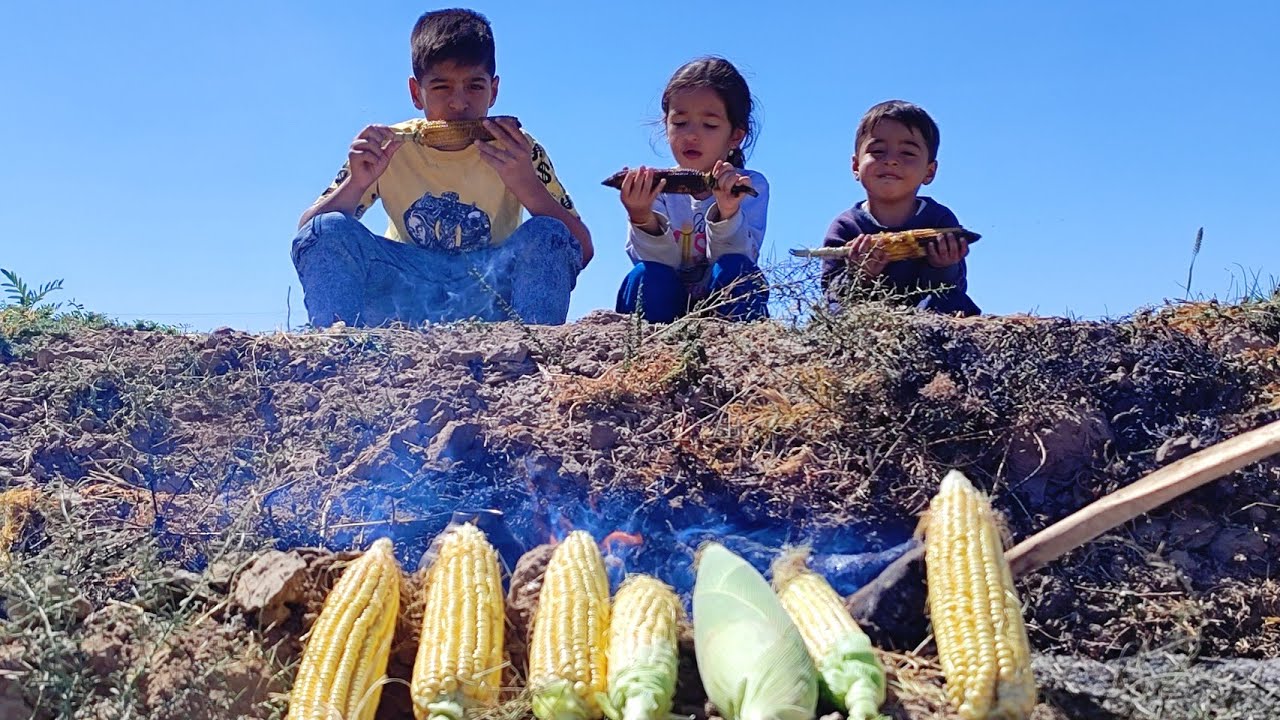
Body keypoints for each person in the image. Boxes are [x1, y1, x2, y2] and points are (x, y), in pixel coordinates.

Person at [291, 9, 592, 328]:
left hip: (490, 291)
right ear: (414, 92)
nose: (459, 103)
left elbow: (578, 248)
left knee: (548, 232)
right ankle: (337, 350)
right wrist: (355, 183)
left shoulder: (519, 149)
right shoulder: (387, 147)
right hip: (403, 291)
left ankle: (532, 352)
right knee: (329, 228)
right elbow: (311, 234)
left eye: (475, 86)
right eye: (441, 87)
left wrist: (528, 187)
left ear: (495, 90)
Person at [614, 56, 769, 323]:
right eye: (680, 122)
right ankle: (645, 355)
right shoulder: (656, 188)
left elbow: (739, 260)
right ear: (666, 125)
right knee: (644, 276)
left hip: (722, 312)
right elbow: (656, 267)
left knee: (736, 269)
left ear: (735, 135)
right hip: (667, 314)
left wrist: (727, 213)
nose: (691, 135)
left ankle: (737, 350)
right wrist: (641, 218)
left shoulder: (748, 186)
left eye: (709, 125)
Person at [821, 100, 980, 316]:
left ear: (929, 171)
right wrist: (860, 275)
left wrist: (942, 266)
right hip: (868, 318)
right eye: (877, 151)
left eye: (907, 153)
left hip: (927, 316)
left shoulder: (939, 219)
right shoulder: (846, 227)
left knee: (951, 303)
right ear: (856, 166)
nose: (891, 161)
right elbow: (832, 293)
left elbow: (952, 288)